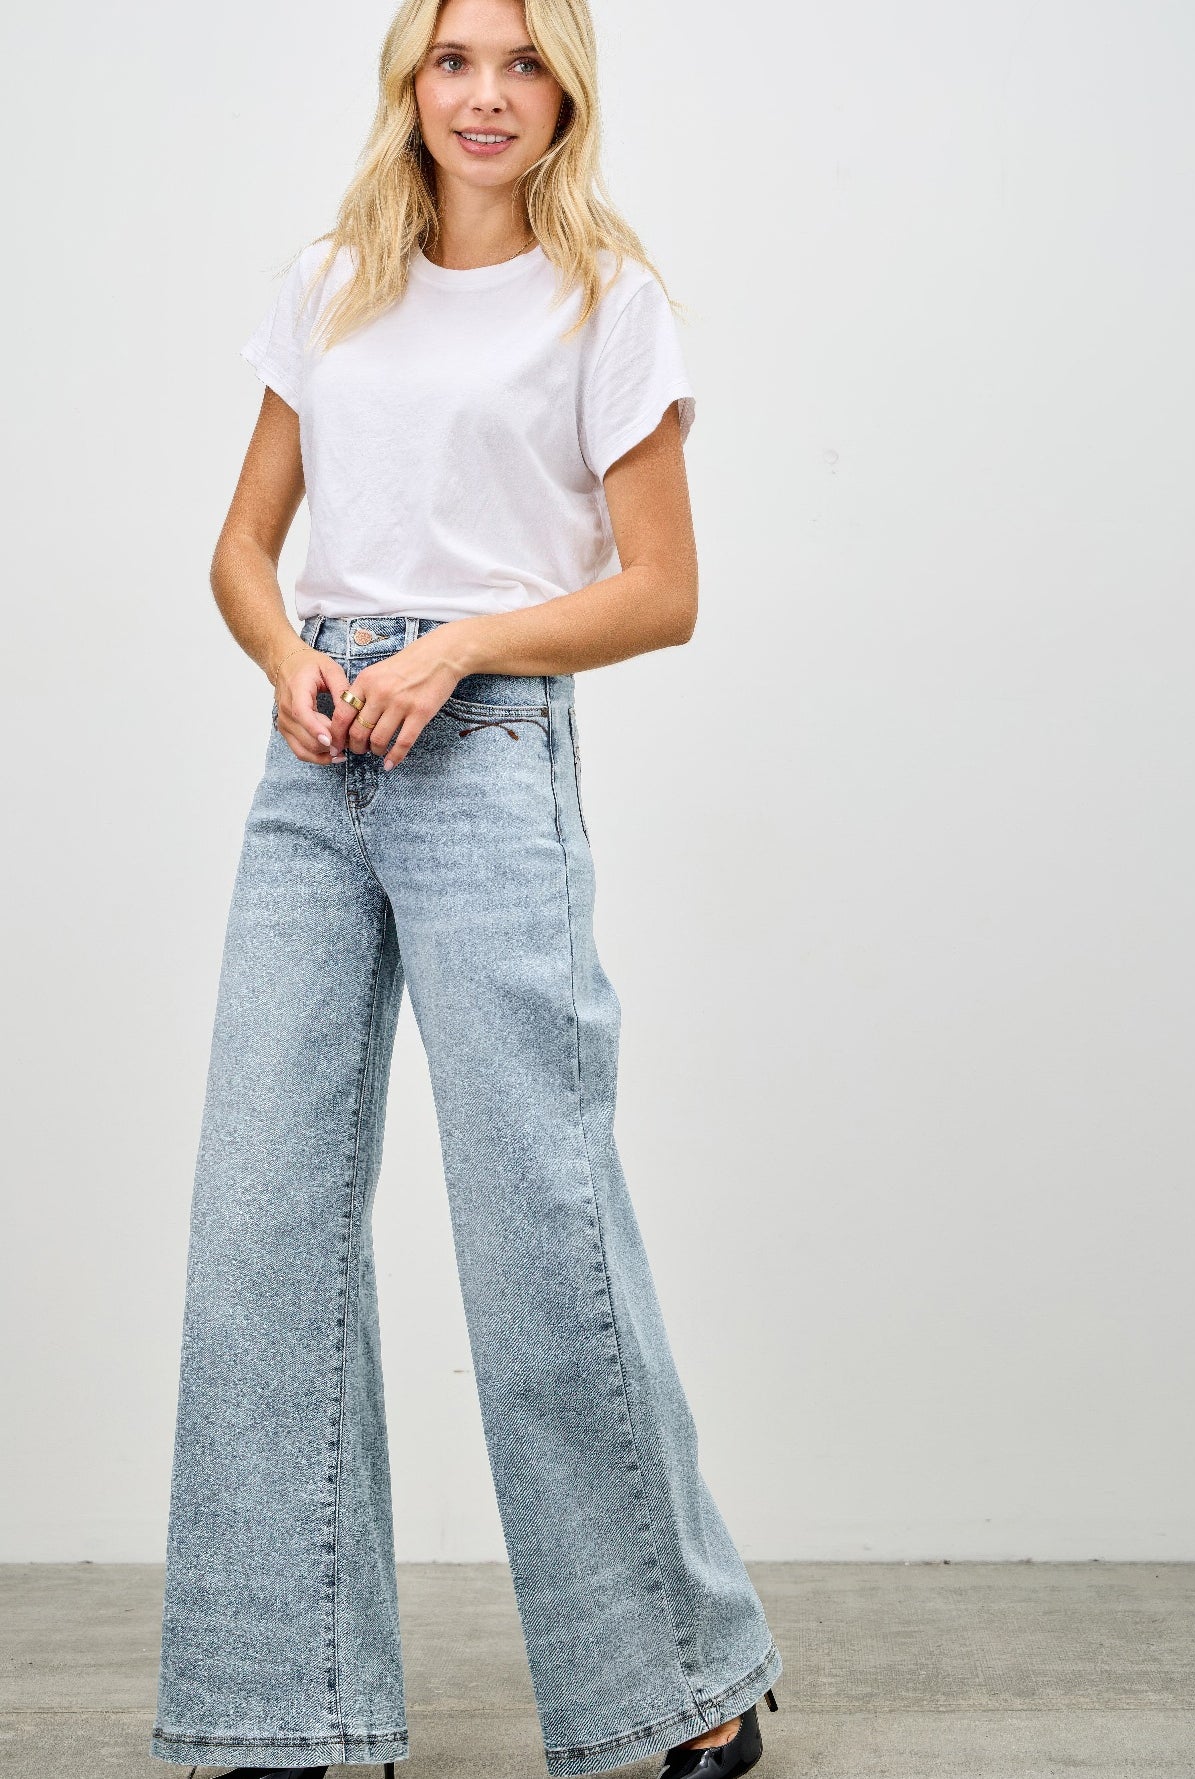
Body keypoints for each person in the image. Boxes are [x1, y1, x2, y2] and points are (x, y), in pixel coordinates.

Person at [148, 2, 783, 1776]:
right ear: (407, 86)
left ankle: (681, 1676)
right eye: (452, 60)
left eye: (519, 62)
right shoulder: (334, 279)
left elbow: (661, 588)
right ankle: (279, 1711)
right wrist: (284, 654)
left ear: (563, 87)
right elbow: (241, 542)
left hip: (484, 752)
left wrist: (468, 647)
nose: (486, 95)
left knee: (537, 1229)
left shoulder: (607, 301)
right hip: (311, 754)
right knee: (257, 1231)